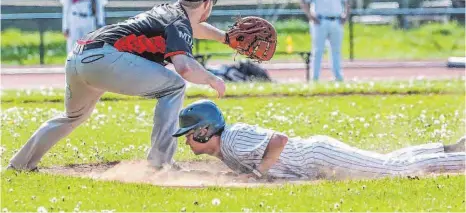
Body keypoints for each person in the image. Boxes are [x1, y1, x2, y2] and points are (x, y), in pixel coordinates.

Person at [8, 0, 230, 172]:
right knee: (174, 86)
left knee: (72, 116)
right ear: (207, 3)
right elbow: (185, 68)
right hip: (104, 59)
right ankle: (161, 163)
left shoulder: (169, 12)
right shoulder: (178, 22)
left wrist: (225, 38)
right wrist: (212, 78)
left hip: (78, 55)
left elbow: (193, 29)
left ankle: (19, 165)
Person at [172, 100, 466, 181]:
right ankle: (449, 150)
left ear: (204, 131)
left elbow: (279, 140)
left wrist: (257, 175)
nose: (186, 142)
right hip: (315, 159)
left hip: (318, 156)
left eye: (188, 135)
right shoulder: (226, 148)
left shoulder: (233, 140)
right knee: (393, 163)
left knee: (395, 170)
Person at [297, 0, 354, 82]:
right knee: (318, 51)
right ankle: (315, 78)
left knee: (336, 51)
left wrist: (346, 14)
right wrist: (310, 16)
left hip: (336, 20)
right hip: (320, 21)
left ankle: (338, 78)